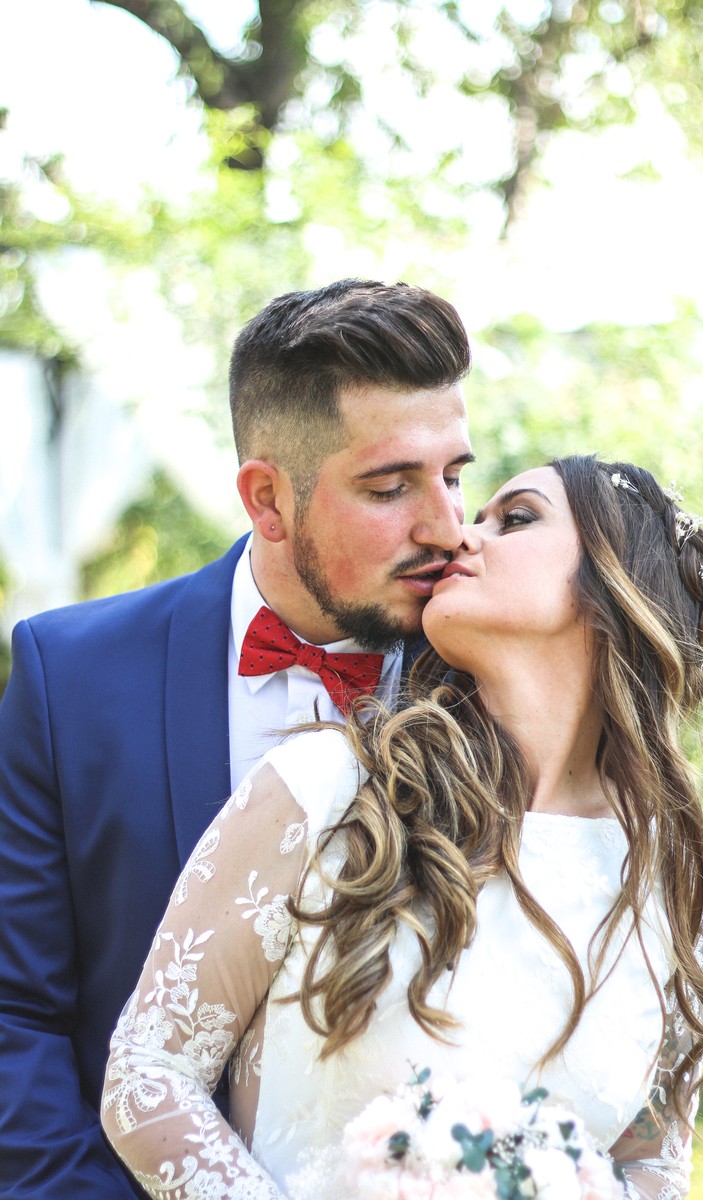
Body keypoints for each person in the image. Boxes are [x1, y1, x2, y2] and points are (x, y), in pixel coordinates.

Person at [100, 454, 703, 1200]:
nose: (462, 535)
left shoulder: (674, 871)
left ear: (616, 585)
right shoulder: (330, 787)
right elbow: (150, 1072)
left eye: (516, 519)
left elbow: (651, 1158)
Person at [0, 278, 474, 1200]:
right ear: (267, 499)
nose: (445, 527)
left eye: (453, 475)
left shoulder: (488, 683)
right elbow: (14, 1012)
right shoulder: (70, 680)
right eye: (390, 487)